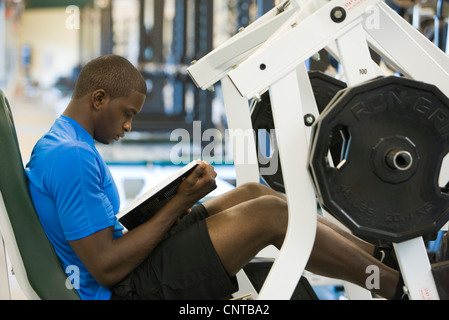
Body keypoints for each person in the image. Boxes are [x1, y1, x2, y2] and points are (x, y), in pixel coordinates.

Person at [26, 54, 404, 300]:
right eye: (127, 113)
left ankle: (381, 256)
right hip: (127, 290)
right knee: (269, 216)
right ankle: (397, 288)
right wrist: (179, 202)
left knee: (253, 192)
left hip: (129, 270)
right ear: (98, 98)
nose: (127, 126)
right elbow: (106, 268)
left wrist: (177, 202)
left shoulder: (65, 141)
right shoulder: (71, 158)